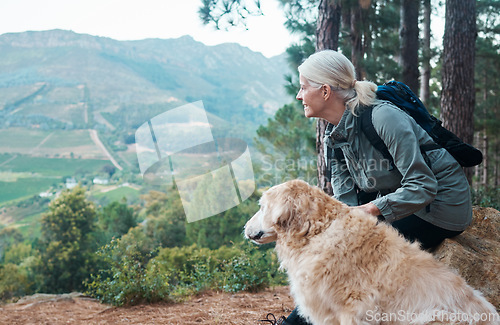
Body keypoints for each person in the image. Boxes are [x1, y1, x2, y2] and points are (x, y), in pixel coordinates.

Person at [261, 49, 473, 325]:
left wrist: (370, 210)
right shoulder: (332, 136)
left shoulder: (384, 118)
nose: (299, 95)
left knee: (345, 255)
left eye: (303, 87)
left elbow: (423, 185)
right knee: (335, 249)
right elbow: (346, 201)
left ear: (325, 91)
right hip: (402, 204)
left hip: (442, 207)